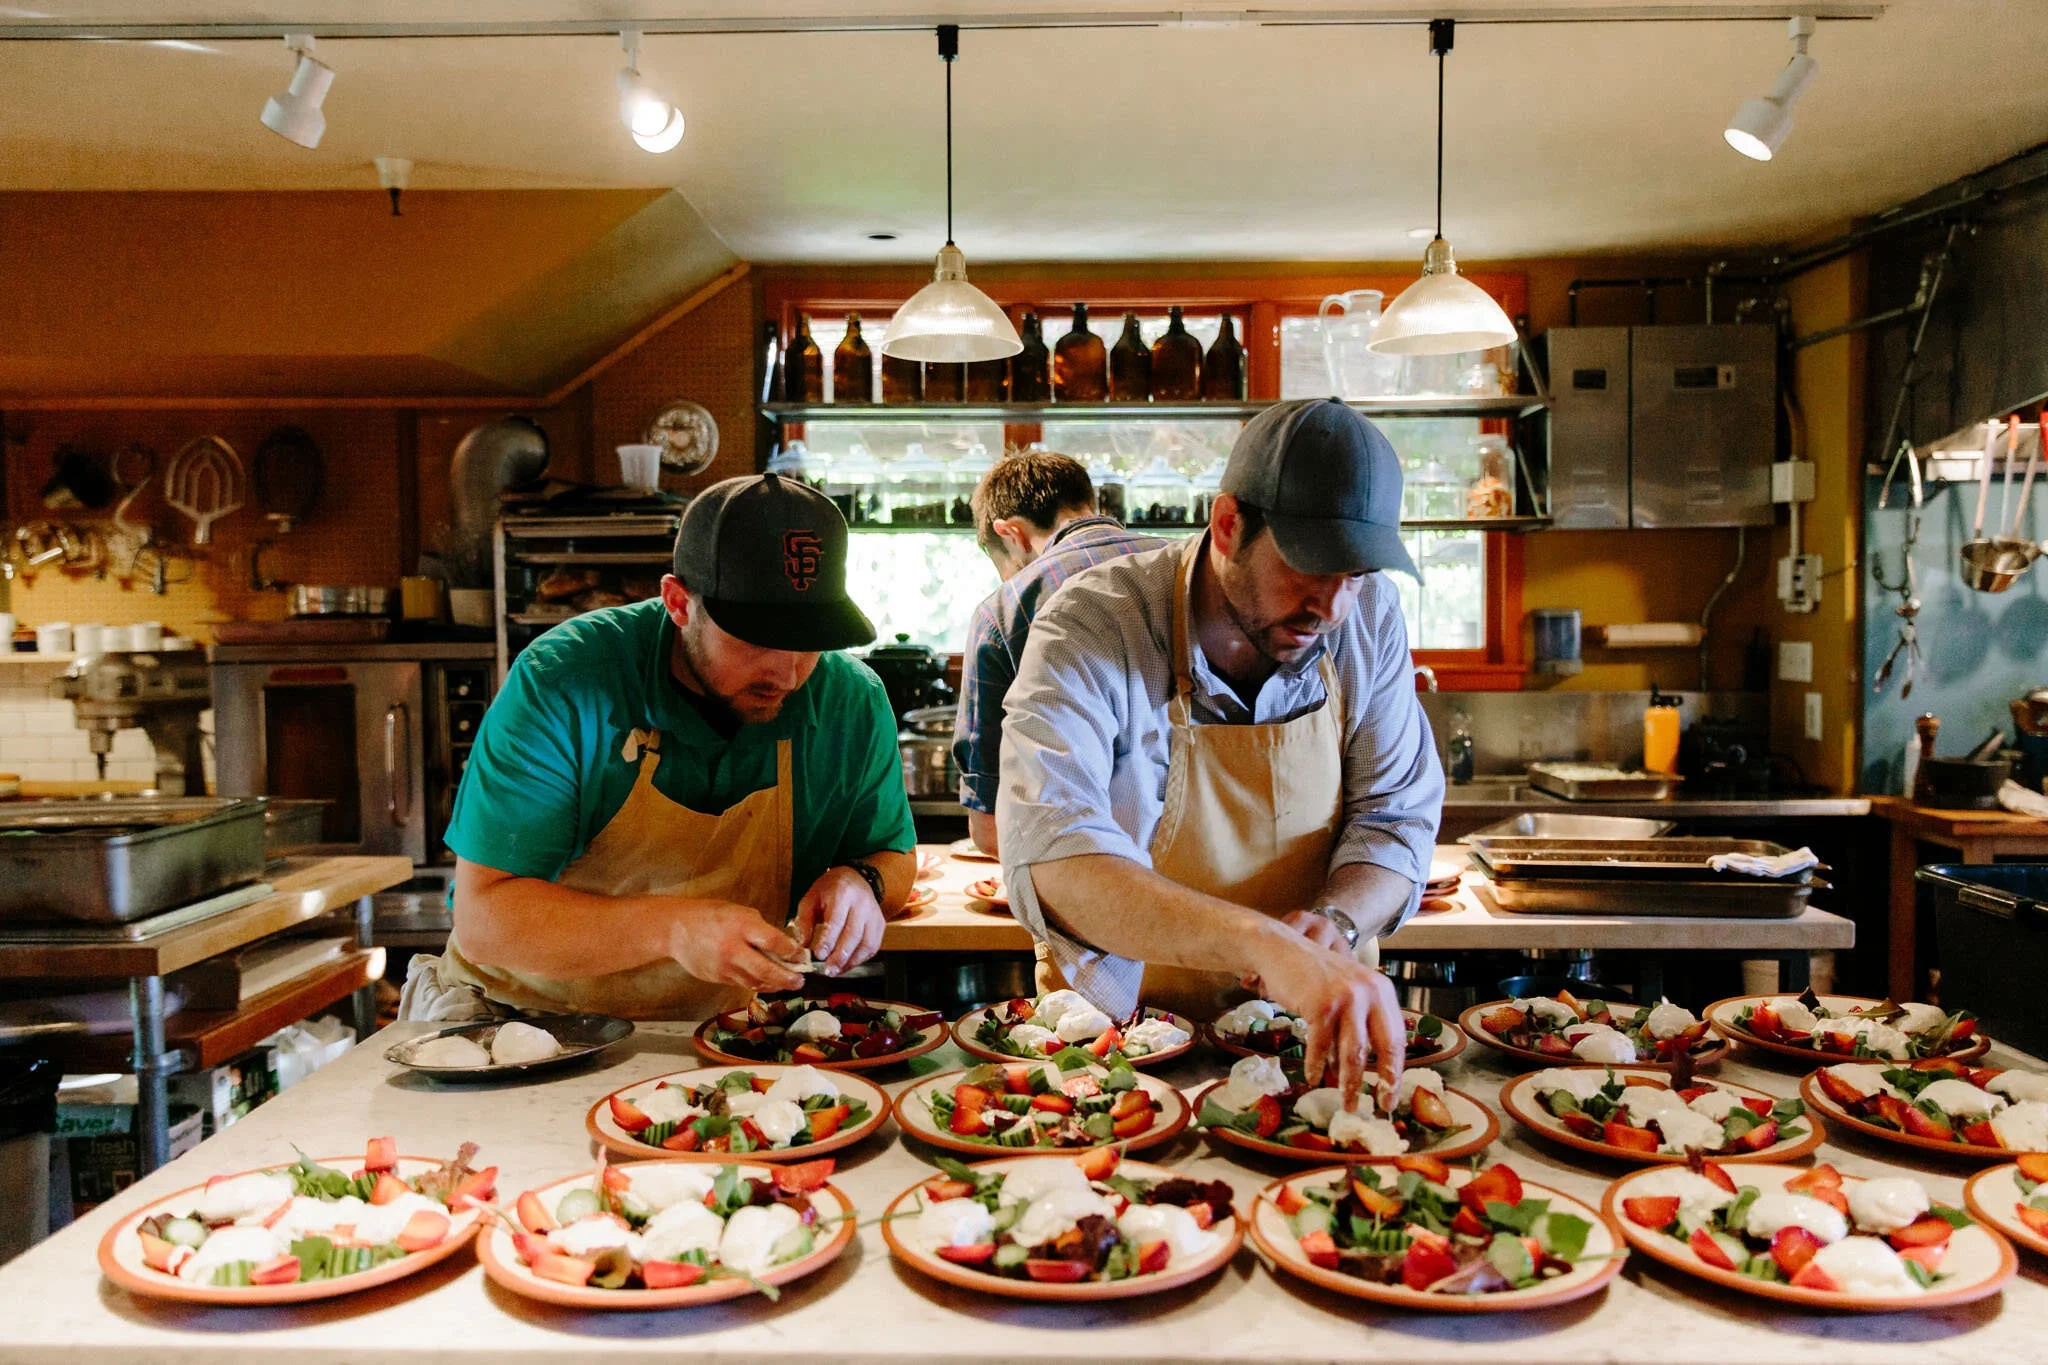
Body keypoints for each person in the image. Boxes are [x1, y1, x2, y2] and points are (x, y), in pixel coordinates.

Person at [996, 399, 1444, 1104]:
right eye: (1309, 567)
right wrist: (1268, 946)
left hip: (1310, 1048)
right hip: (1117, 1051)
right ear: (1228, 524)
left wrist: (1336, 923)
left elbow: (1397, 819)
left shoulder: (1369, 618)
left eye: (1355, 575)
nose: (1331, 607)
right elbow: (1055, 856)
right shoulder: (1093, 624)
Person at [400, 473, 916, 1022]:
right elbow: (484, 921)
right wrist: (675, 928)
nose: (788, 674)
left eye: (811, 640)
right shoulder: (566, 681)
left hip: (713, 1034)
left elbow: (893, 855)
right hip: (513, 1023)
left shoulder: (849, 701)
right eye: (758, 638)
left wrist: (862, 881)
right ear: (677, 602)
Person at [953, 451, 1166, 857]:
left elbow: (991, 829)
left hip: (1086, 875)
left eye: (1006, 565)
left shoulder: (1004, 610)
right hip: (1216, 873)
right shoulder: (1188, 567)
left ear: (1010, 532)